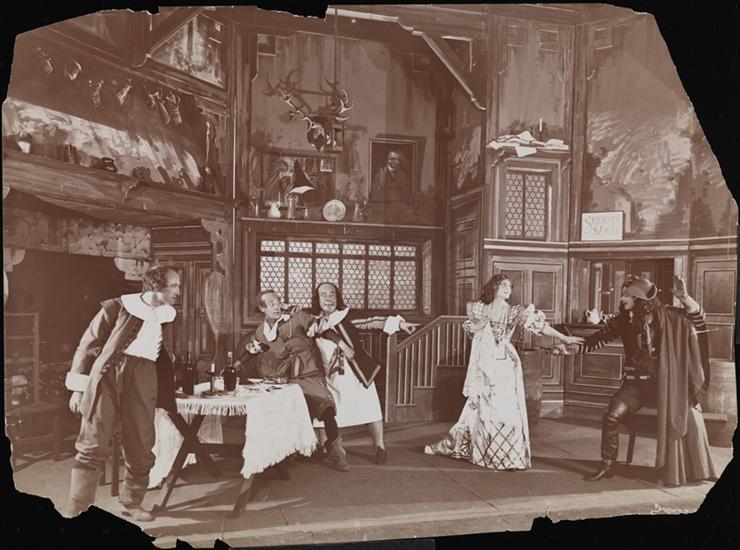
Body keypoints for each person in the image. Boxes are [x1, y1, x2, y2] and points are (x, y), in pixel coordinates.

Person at [552, 275, 716, 486]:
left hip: (664, 385)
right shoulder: (621, 321)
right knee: (611, 417)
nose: (622, 299)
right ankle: (607, 466)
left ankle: (698, 469)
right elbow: (596, 340)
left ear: (639, 299)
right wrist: (566, 348)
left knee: (689, 413)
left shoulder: (666, 315)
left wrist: (684, 297)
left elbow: (698, 318)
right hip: (634, 386)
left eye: (626, 295)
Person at [424, 274, 582, 470]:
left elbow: (541, 327)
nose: (508, 289)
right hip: (484, 361)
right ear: (494, 287)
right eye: (503, 285)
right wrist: (477, 328)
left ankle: (505, 455)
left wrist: (564, 338)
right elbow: (472, 332)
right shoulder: (478, 308)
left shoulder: (515, 312)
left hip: (504, 362)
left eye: (510, 286)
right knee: (478, 406)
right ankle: (463, 445)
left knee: (505, 408)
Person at [64, 265, 181, 521]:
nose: (178, 291)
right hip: (109, 373)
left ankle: (131, 502)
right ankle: (77, 511)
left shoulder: (168, 315)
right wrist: (77, 389)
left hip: (144, 377)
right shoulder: (118, 306)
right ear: (156, 285)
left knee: (141, 443)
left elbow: (165, 353)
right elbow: (88, 344)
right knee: (93, 443)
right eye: (173, 285)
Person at [236, 289, 350, 472]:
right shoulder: (262, 331)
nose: (277, 306)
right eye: (271, 304)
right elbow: (253, 350)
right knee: (288, 412)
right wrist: (236, 364)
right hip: (286, 377)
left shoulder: (296, 317)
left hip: (310, 371)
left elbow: (321, 329)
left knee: (326, 409)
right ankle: (290, 451)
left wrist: (340, 343)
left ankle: (337, 452)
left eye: (278, 302)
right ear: (262, 308)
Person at [309, 282, 420, 465]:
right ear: (317, 299)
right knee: (323, 412)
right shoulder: (314, 321)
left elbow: (374, 321)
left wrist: (400, 323)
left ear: (337, 297)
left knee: (370, 409)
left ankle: (380, 447)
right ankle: (324, 446)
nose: (328, 298)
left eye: (332, 294)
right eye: (324, 295)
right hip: (328, 375)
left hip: (356, 373)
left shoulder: (347, 315)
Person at [370, 150, 414, 223]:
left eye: (396, 159)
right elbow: (376, 196)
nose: (393, 161)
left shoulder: (404, 176)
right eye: (391, 159)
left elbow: (407, 196)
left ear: (399, 161)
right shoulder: (379, 175)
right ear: (387, 160)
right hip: (384, 210)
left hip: (401, 209)